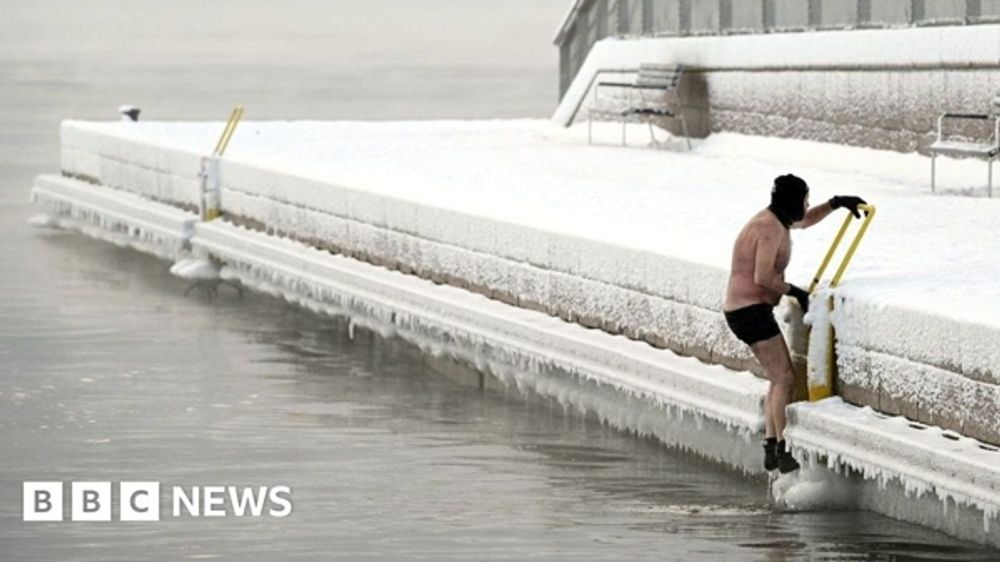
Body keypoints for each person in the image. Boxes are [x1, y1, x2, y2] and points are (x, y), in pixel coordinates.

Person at [723, 174, 866, 473]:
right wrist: (795, 292)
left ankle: (772, 446)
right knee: (784, 378)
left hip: (748, 310)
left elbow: (805, 220)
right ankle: (779, 447)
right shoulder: (768, 228)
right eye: (805, 199)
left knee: (778, 378)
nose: (807, 205)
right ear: (793, 201)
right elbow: (761, 278)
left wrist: (836, 204)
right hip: (749, 311)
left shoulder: (778, 220)